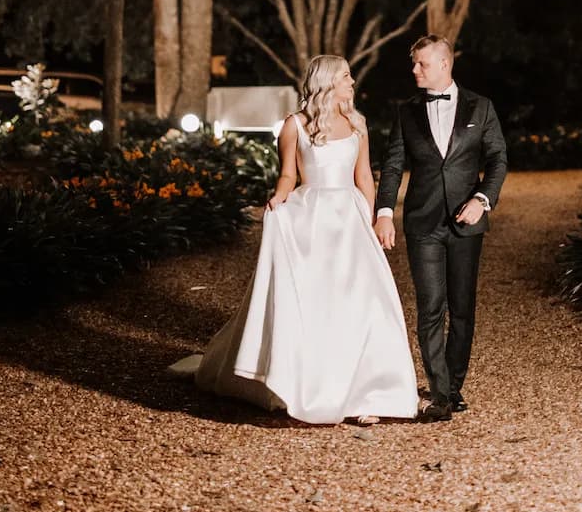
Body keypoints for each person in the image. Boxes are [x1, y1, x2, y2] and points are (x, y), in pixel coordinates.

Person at [174, 56, 418, 426]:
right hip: (313, 220)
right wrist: (277, 199)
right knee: (317, 305)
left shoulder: (357, 124)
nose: (352, 82)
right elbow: (289, 175)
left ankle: (368, 393)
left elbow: (364, 177)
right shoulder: (294, 126)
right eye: (346, 77)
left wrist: (371, 221)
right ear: (328, 82)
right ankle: (311, 386)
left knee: (364, 305)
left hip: (350, 221)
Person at [375, 35, 507, 422]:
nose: (415, 70)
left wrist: (482, 200)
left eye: (421, 64)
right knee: (431, 307)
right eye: (414, 64)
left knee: (462, 308)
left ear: (445, 64)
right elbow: (393, 164)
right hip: (423, 222)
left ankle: (453, 386)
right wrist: (385, 211)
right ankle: (440, 394)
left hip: (467, 223)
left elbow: (498, 158)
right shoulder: (406, 112)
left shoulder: (481, 107)